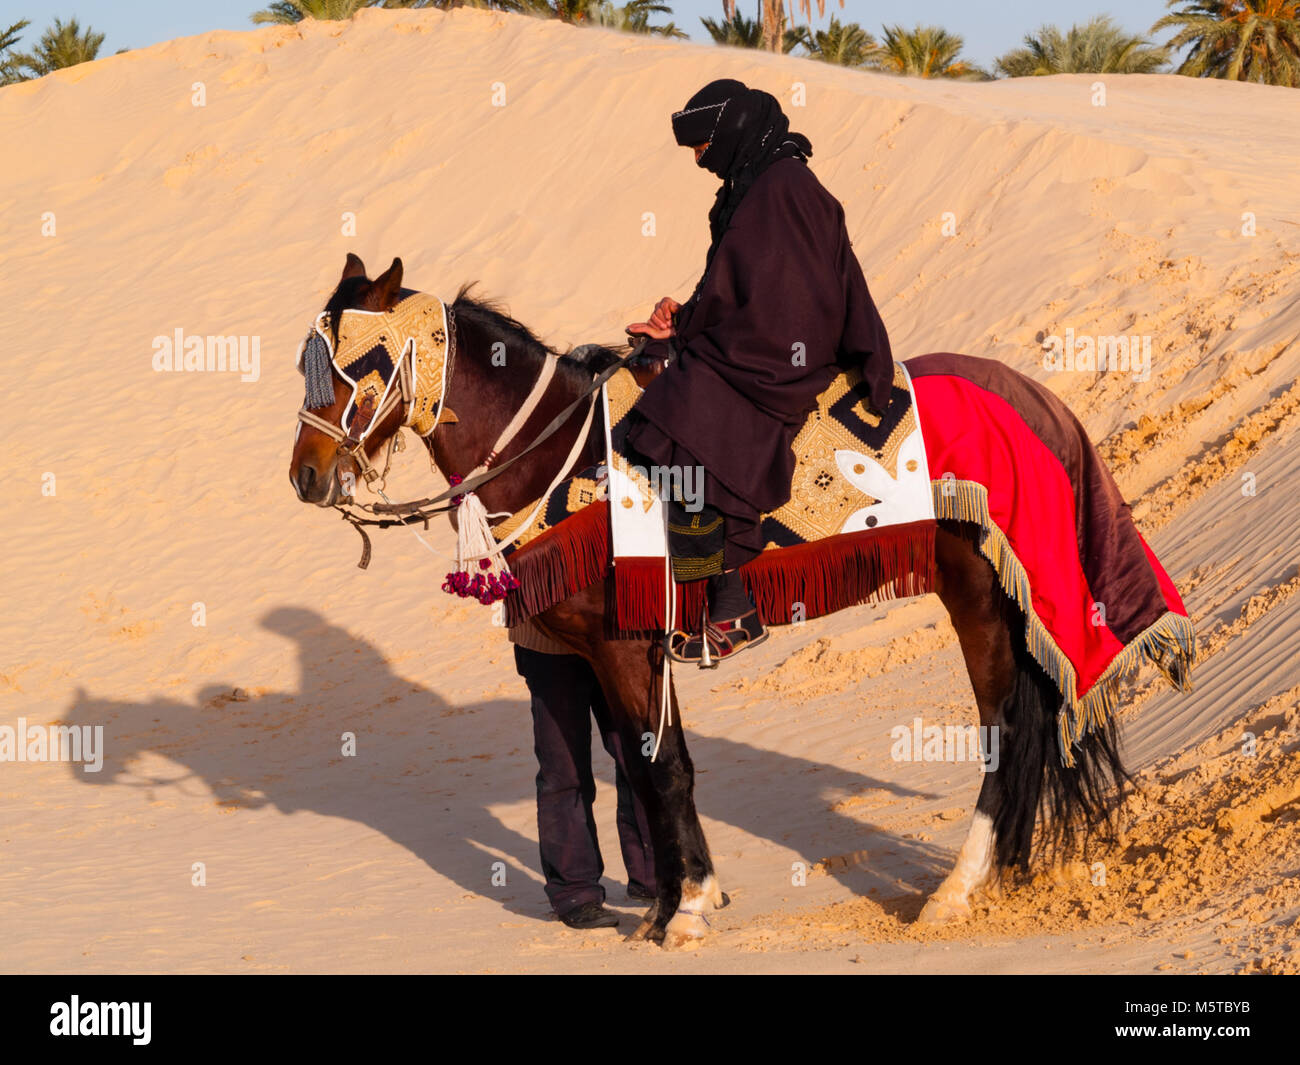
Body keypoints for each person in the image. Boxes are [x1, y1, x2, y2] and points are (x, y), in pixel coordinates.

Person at [625, 78, 895, 667]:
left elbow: (785, 297)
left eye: (702, 145)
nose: (699, 159)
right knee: (675, 377)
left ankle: (730, 602)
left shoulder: (782, 189)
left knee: (687, 410)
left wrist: (698, 331)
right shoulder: (756, 184)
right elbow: (741, 285)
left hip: (790, 348)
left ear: (730, 134)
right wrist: (687, 319)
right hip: (769, 333)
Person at [510, 622, 657, 929]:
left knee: (642, 757)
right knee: (563, 771)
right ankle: (575, 892)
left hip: (621, 634)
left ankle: (657, 875)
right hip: (547, 639)